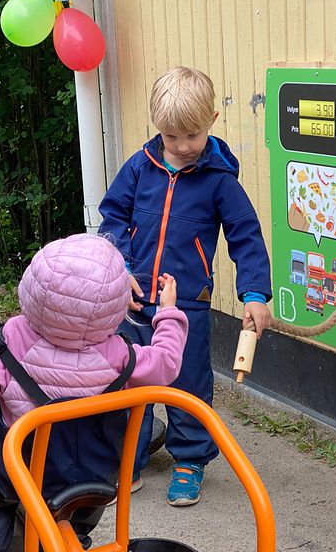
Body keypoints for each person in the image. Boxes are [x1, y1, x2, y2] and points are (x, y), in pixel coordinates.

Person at [0, 233, 188, 552]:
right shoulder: (120, 355)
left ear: (31, 288)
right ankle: (74, 540)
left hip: (22, 476)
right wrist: (168, 312)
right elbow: (166, 362)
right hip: (96, 480)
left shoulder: (10, 340)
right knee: (77, 515)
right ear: (113, 306)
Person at [98, 66, 272, 507]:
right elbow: (113, 217)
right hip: (134, 301)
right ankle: (127, 461)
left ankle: (190, 460)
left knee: (187, 384)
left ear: (212, 121)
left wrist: (255, 294)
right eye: (171, 136)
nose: (181, 146)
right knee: (126, 382)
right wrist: (119, 271)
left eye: (191, 135)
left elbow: (245, 236)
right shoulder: (140, 167)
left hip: (188, 304)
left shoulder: (219, 180)